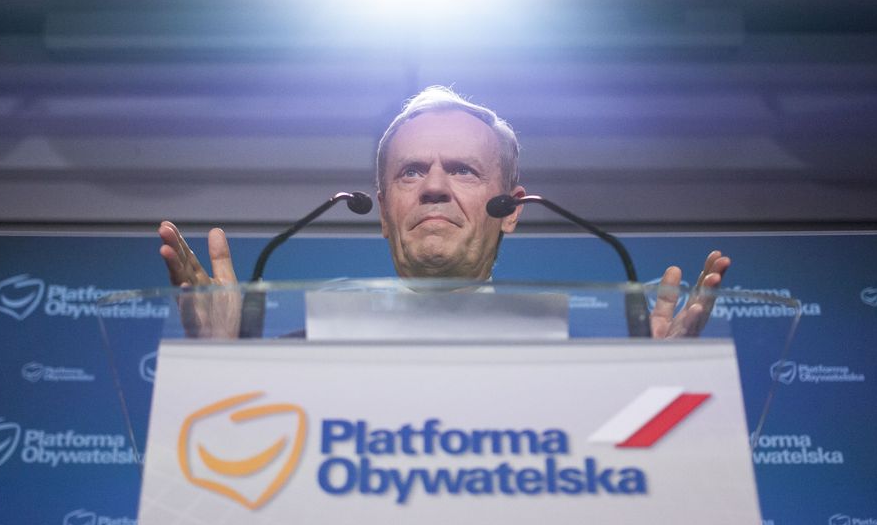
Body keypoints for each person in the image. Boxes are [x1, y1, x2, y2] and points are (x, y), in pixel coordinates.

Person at [158, 86, 729, 338]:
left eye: (463, 170)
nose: (434, 186)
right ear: (383, 211)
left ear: (512, 208)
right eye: (410, 172)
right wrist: (221, 368)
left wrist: (657, 385)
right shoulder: (293, 360)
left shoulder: (581, 373)